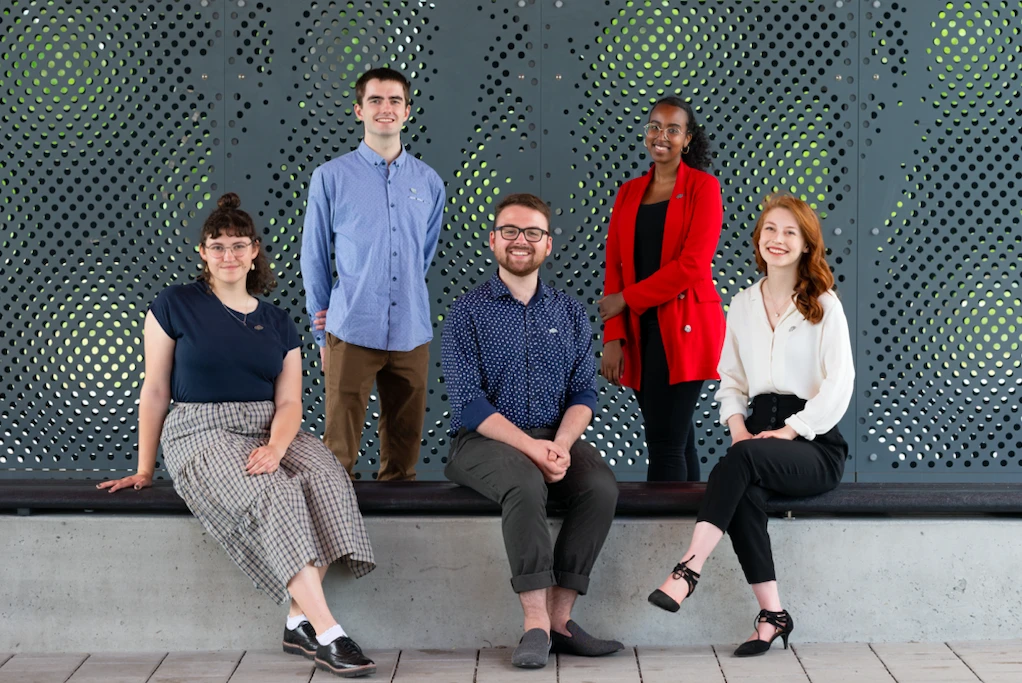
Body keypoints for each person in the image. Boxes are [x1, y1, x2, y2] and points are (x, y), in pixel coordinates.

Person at [99, 194, 377, 679]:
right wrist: (145, 467)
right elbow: (155, 389)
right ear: (203, 253)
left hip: (269, 425)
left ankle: (297, 622)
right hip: (200, 428)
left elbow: (289, 403)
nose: (228, 254)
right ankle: (330, 633)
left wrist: (276, 446)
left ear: (254, 252)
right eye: (218, 245)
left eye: (238, 245)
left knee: (329, 479)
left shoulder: (279, 322)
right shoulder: (174, 305)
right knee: (275, 491)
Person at [646, 195, 854, 657]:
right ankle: (773, 615)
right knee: (742, 494)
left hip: (814, 445)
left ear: (806, 245)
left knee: (740, 463)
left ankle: (687, 570)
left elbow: (839, 385)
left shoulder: (824, 305)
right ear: (758, 239)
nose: (777, 239)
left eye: (790, 232)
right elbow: (732, 380)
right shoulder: (742, 304)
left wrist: (792, 429)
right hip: (756, 440)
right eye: (770, 230)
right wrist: (738, 429)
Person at [441, 193, 623, 670]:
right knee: (524, 483)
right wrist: (532, 449)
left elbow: (584, 393)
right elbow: (469, 403)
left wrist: (560, 445)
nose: (520, 241)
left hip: (553, 435)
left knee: (601, 487)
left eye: (532, 233)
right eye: (510, 231)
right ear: (492, 240)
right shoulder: (466, 313)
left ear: (547, 244)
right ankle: (535, 625)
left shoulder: (569, 313)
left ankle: (561, 620)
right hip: (483, 441)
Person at [302, 66, 445, 481]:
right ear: (359, 110)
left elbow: (421, 257)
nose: (386, 108)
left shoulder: (430, 182)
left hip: (411, 331)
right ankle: (334, 520)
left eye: (395, 100)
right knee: (337, 456)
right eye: (376, 100)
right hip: (350, 327)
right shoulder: (330, 177)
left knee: (404, 457)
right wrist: (322, 333)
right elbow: (313, 255)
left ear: (407, 111)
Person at [599, 96, 725, 482]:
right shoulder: (628, 192)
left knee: (665, 443)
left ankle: (664, 523)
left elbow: (692, 266)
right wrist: (613, 336)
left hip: (686, 325)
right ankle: (695, 520)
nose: (661, 136)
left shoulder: (703, 187)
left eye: (673, 129)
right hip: (639, 328)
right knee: (678, 440)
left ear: (687, 139)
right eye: (655, 126)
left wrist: (626, 300)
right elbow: (615, 267)